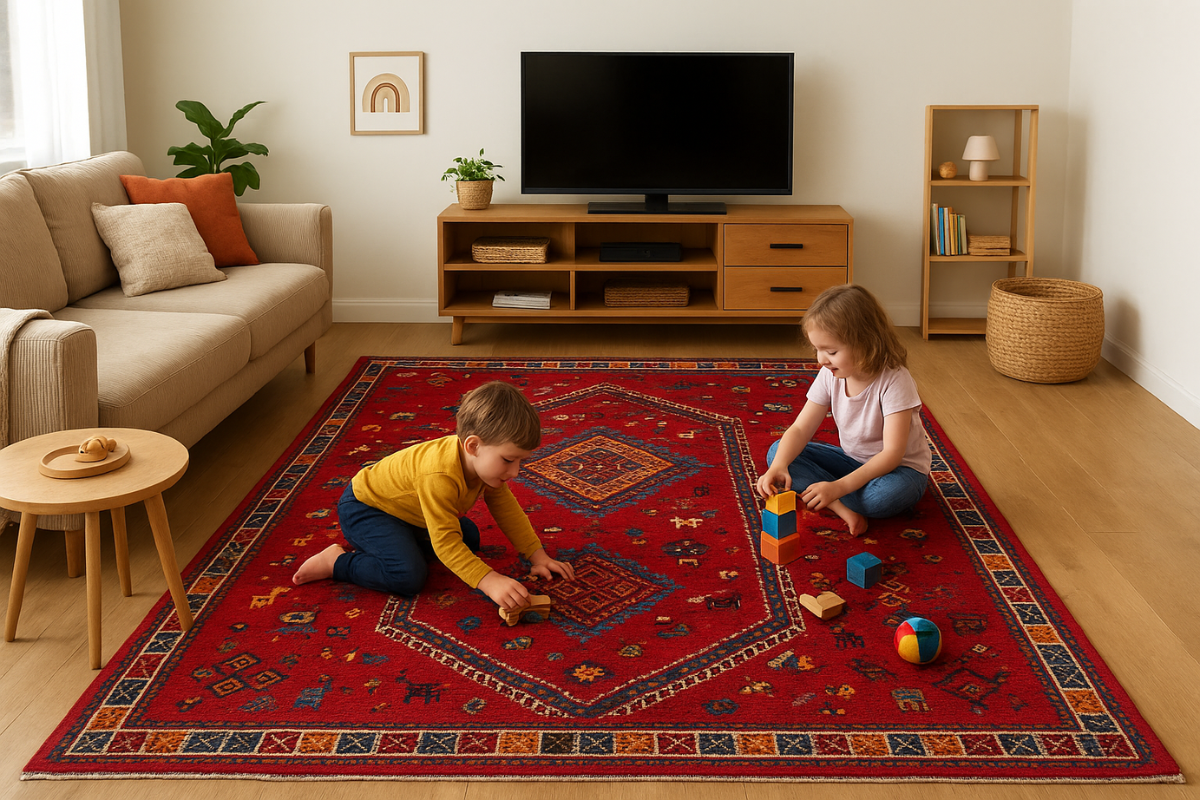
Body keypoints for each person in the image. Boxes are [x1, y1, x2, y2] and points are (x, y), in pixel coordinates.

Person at [292, 381, 575, 611]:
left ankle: (398, 546)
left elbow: (506, 509)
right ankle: (337, 562)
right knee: (408, 576)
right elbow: (445, 541)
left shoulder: (483, 465)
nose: (515, 472)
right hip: (366, 509)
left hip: (408, 513)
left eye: (520, 462)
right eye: (508, 460)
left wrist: (537, 555)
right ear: (473, 446)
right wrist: (489, 580)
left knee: (469, 538)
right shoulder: (438, 474)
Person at [756, 284, 932, 536]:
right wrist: (779, 466)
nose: (821, 359)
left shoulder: (895, 380)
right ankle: (841, 507)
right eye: (817, 349)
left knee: (883, 499)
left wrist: (838, 487)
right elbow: (801, 427)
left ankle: (832, 495)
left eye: (831, 351)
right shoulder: (830, 374)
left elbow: (893, 453)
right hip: (852, 462)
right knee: (778, 453)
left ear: (865, 343)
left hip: (899, 472)